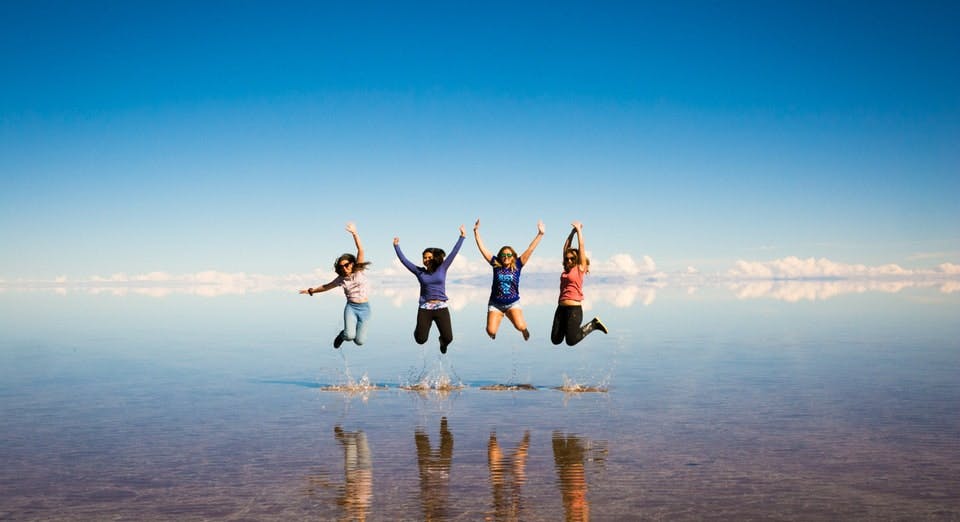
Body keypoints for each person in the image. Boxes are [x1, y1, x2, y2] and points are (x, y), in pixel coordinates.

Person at [394, 225, 466, 354]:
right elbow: (404, 261)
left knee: (448, 338)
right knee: (421, 339)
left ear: (434, 257)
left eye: (428, 257)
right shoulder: (419, 272)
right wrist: (396, 246)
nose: (426, 260)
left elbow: (453, 253)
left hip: (441, 307)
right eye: (424, 257)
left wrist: (462, 237)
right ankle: (418, 330)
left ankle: (442, 343)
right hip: (425, 308)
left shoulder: (442, 268)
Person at [300, 223, 371, 349]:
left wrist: (354, 233)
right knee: (349, 335)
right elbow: (326, 286)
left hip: (365, 309)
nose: (344, 268)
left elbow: (361, 250)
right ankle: (341, 335)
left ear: (352, 263)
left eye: (347, 264)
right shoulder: (341, 279)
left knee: (360, 341)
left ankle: (350, 335)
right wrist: (311, 291)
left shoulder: (359, 271)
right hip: (351, 308)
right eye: (341, 266)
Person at [473, 219, 545, 340]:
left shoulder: (518, 264)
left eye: (509, 255)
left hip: (512, 303)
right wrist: (476, 232)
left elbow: (530, 249)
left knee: (521, 326)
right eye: (503, 255)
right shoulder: (496, 264)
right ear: (500, 256)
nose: (506, 257)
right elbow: (483, 249)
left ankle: (522, 328)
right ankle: (499, 316)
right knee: (490, 331)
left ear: (513, 256)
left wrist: (540, 234)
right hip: (496, 304)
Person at [551, 221, 608, 346]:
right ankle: (570, 330)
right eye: (567, 258)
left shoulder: (580, 268)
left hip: (574, 309)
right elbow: (565, 247)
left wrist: (579, 231)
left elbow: (581, 246)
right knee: (555, 340)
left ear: (577, 259)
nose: (569, 260)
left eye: (572, 258)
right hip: (561, 308)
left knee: (570, 341)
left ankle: (593, 324)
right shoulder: (565, 269)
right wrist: (572, 232)